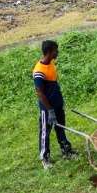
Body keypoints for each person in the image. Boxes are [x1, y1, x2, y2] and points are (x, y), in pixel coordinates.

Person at [32, 39, 76, 169]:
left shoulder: (51, 63)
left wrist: (59, 101)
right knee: (45, 131)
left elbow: (53, 84)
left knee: (60, 127)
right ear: (49, 52)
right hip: (47, 108)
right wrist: (49, 110)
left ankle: (66, 150)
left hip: (57, 103)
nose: (58, 52)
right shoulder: (38, 71)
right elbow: (40, 93)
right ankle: (45, 157)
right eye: (56, 50)